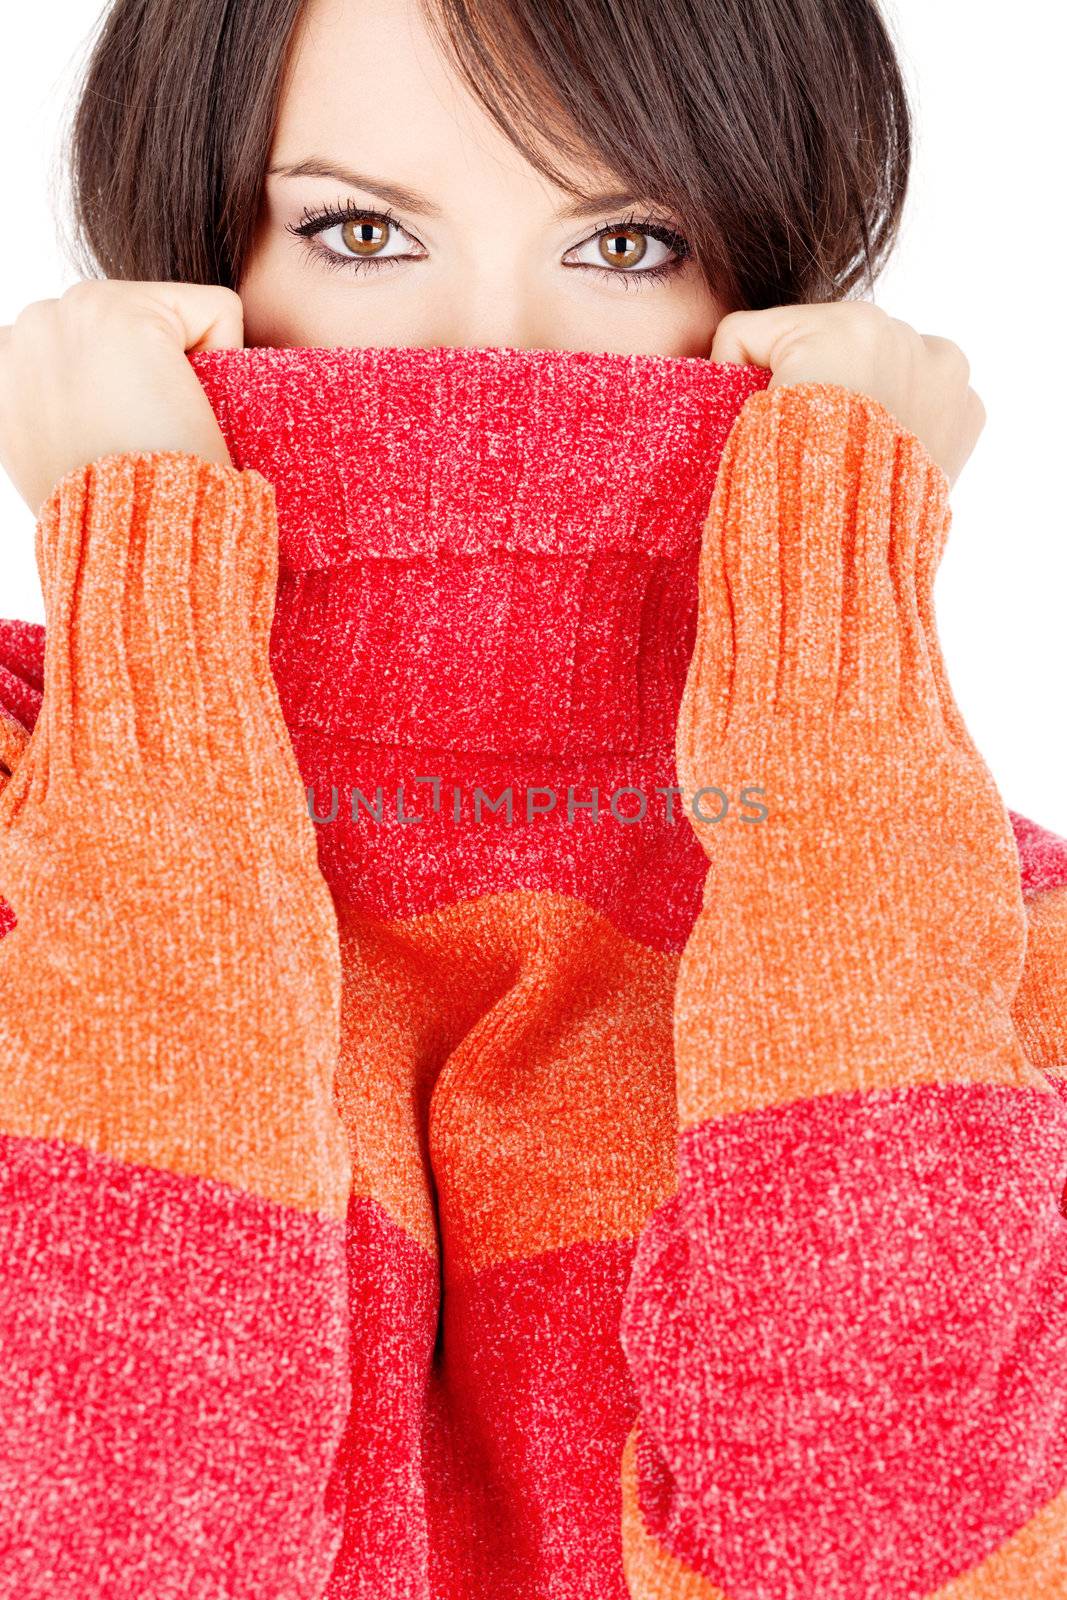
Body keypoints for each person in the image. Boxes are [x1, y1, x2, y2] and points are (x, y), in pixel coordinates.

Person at [1, 0, 1065, 1595]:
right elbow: (104, 1544)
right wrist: (150, 658)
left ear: (767, 288)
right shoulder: (38, 808)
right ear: (182, 267)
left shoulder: (947, 913)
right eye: (358, 230)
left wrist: (844, 635)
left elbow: (872, 1548)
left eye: (628, 242)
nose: (491, 349)